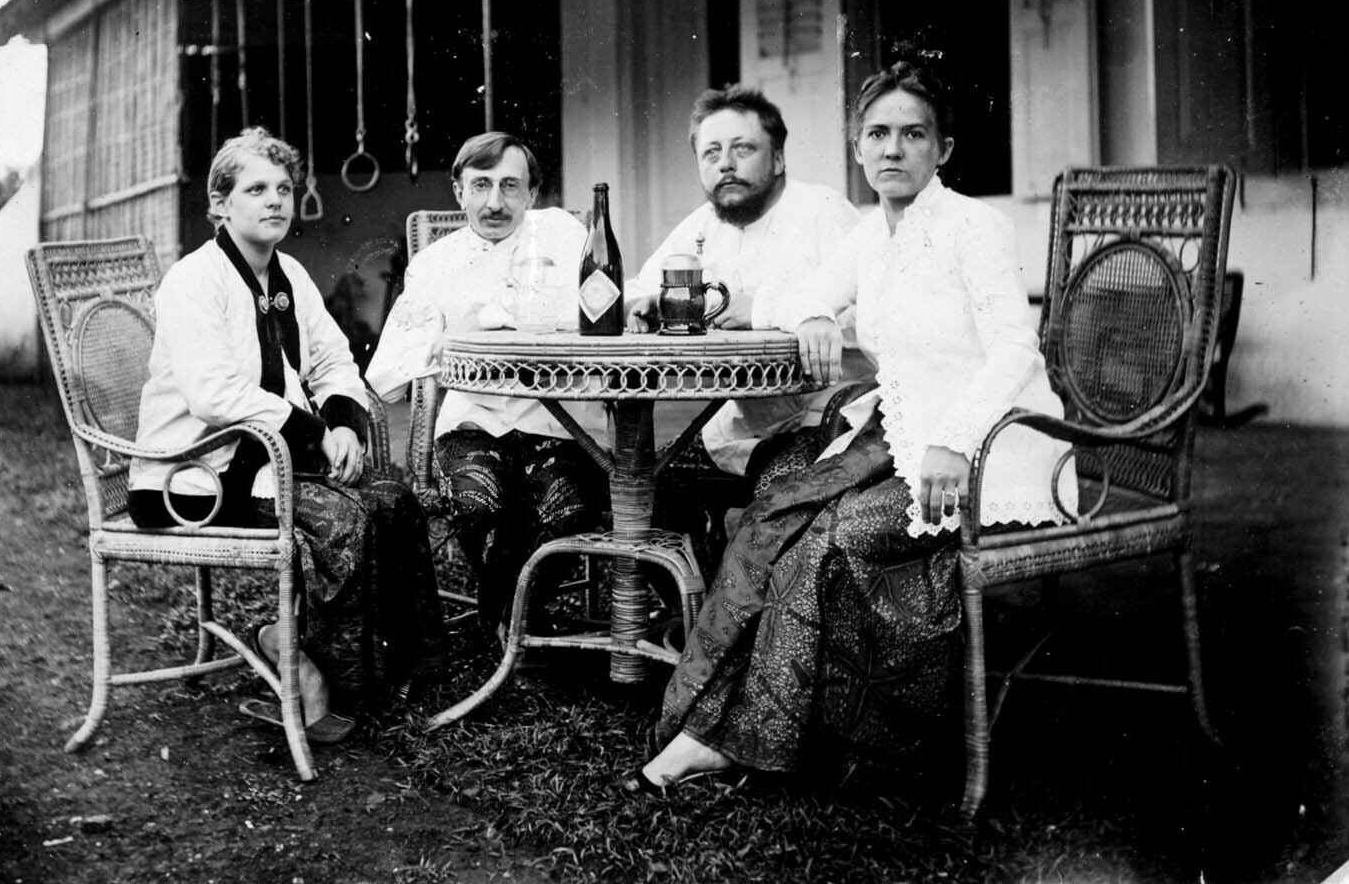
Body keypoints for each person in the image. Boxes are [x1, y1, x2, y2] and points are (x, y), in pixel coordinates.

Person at [625, 62, 1076, 793]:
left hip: (993, 448)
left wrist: (954, 439)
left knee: (822, 542)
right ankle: (712, 727)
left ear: (944, 149)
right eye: (877, 134)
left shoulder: (975, 226)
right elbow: (799, 294)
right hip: (900, 440)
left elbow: (1015, 352)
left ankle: (742, 739)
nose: (893, 149)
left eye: (913, 134)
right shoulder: (872, 235)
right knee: (776, 519)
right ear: (857, 146)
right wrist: (811, 313)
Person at [127, 127, 446, 743]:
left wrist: (345, 423)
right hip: (193, 478)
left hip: (266, 462)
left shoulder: (289, 274)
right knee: (342, 519)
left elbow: (332, 360)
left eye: (283, 189)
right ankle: (320, 679)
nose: (275, 200)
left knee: (393, 499)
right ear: (220, 203)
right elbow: (213, 393)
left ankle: (402, 671)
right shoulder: (195, 280)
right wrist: (312, 432)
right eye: (255, 190)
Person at [366, 131, 609, 636]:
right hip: (473, 423)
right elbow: (390, 368)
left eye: (510, 186)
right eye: (480, 185)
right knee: (479, 504)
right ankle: (521, 624)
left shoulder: (564, 236)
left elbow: (599, 314)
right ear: (459, 192)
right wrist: (442, 343)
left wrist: (488, 320)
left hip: (560, 423)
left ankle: (504, 618)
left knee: (567, 508)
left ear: (532, 193)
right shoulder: (435, 264)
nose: (495, 202)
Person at [623, 86, 863, 563]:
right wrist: (645, 303)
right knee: (645, 494)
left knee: (776, 511)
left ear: (778, 159)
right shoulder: (702, 226)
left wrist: (771, 309)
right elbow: (636, 288)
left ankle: (744, 602)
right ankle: (700, 595)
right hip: (737, 425)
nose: (726, 165)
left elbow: (866, 313)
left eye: (743, 148)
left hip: (825, 419)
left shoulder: (824, 212)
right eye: (711, 153)